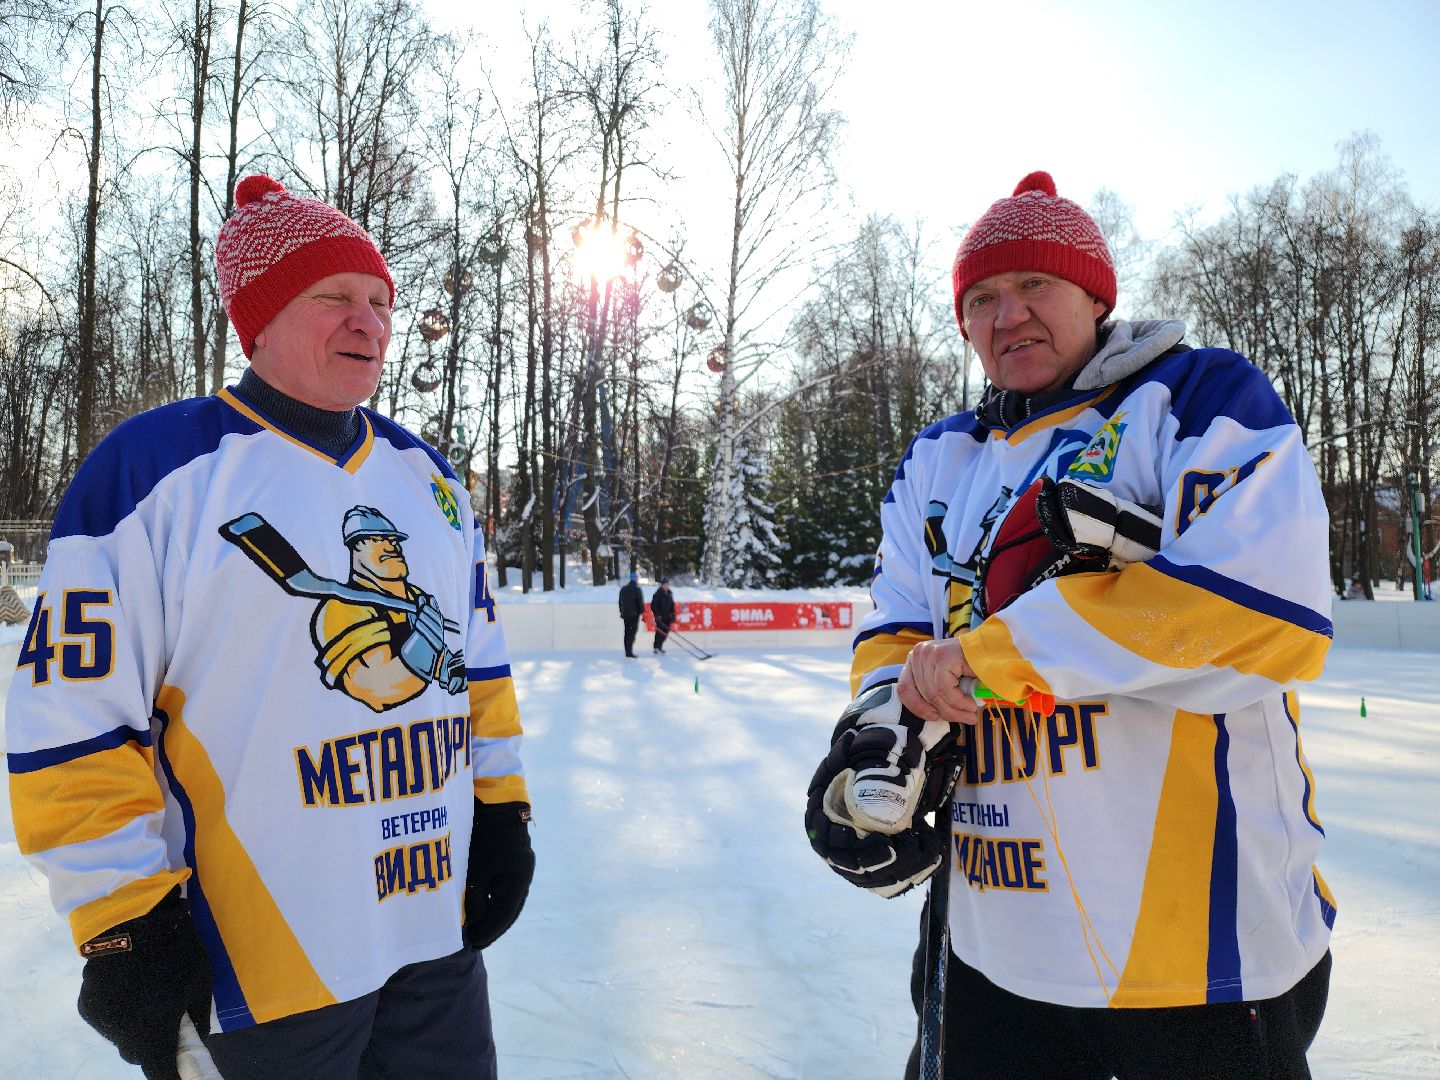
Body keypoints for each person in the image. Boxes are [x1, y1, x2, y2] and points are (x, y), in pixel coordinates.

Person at [805, 172, 1336, 1079]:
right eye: (981, 298)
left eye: (1033, 287)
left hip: (1200, 962)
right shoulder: (940, 457)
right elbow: (897, 633)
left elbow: (1264, 611)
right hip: (988, 951)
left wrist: (982, 660)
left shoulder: (1197, 397)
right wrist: (881, 745)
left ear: (1097, 296)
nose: (1006, 315)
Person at [5, 174, 533, 1080]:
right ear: (258, 322)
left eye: (379, 299)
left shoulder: (429, 480)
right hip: (255, 967)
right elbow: (71, 720)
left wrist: (502, 809)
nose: (367, 321)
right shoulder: (152, 471)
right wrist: (123, 921)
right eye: (333, 297)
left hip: (430, 939)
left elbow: (479, 670)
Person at [619, 570, 644, 658]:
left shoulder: (623, 589)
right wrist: (642, 612)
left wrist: (621, 612)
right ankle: (629, 652)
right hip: (634, 615)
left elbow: (620, 602)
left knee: (627, 633)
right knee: (632, 633)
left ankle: (627, 651)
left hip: (626, 615)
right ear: (635, 579)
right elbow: (640, 602)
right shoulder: (637, 589)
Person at [650, 577, 675, 654]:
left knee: (665, 632)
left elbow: (672, 605)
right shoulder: (658, 594)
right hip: (660, 617)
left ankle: (660, 646)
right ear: (662, 585)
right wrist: (657, 615)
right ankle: (656, 647)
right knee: (659, 632)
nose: (666, 586)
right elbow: (653, 605)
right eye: (665, 584)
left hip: (668, 617)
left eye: (668, 584)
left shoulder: (670, 593)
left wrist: (673, 614)